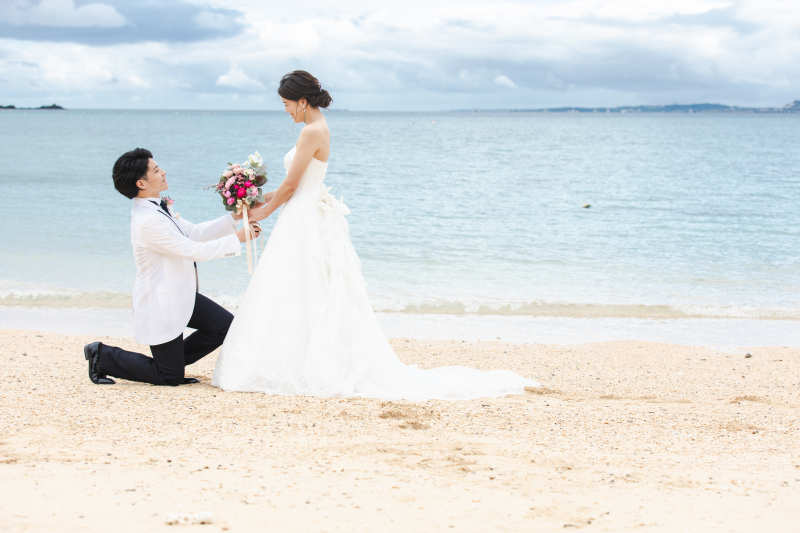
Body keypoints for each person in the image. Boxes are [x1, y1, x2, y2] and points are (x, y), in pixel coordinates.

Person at [211, 71, 537, 400]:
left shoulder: (312, 132)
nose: (285, 110)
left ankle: (303, 365)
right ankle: (294, 360)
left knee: (302, 287)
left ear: (302, 101)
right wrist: (252, 197)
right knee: (296, 287)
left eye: (286, 104)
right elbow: (292, 187)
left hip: (302, 218)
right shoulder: (315, 128)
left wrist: (266, 211)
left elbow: (293, 186)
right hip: (301, 213)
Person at [83, 148, 260, 386]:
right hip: (160, 302)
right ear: (141, 183)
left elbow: (195, 233)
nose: (163, 172)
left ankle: (172, 363)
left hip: (180, 292)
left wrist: (234, 219)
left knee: (224, 326)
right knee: (169, 377)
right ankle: (102, 355)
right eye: (156, 170)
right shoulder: (149, 221)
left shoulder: (157, 207)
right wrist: (237, 239)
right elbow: (193, 250)